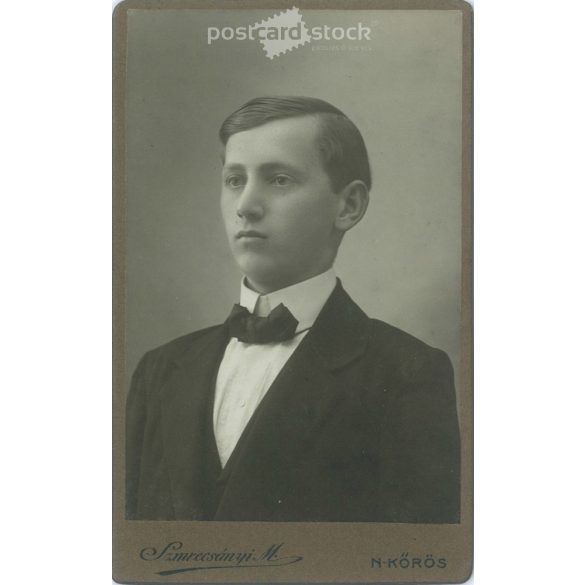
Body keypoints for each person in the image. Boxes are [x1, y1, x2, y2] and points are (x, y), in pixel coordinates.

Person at [125, 96, 460, 522]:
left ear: (348, 206)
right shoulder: (159, 370)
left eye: (279, 179)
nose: (246, 205)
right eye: (234, 180)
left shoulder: (406, 373)